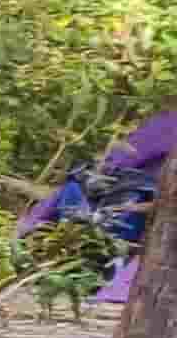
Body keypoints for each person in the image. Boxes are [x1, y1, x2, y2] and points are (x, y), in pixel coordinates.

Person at [21, 108, 168, 307]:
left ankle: (103, 276)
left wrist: (129, 206)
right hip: (107, 217)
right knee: (75, 190)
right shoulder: (127, 170)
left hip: (125, 223)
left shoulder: (147, 184)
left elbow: (155, 202)